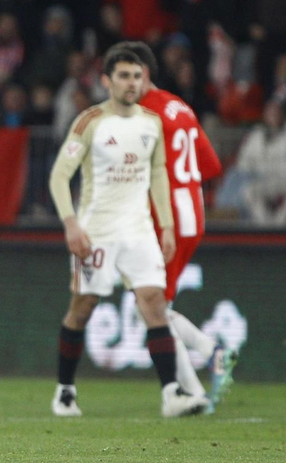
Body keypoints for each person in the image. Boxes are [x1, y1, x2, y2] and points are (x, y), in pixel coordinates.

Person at [47, 44, 209, 419]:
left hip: (139, 231)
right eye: (123, 76)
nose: (131, 83)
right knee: (82, 308)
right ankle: (65, 391)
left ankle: (172, 394)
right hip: (97, 232)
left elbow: (157, 176)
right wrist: (71, 224)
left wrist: (166, 225)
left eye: (137, 76)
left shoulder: (151, 123)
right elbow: (59, 176)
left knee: (154, 303)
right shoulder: (90, 122)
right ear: (107, 81)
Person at [125, 42, 238, 406]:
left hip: (166, 219)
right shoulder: (180, 106)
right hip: (193, 215)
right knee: (154, 306)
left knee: (151, 308)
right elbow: (212, 167)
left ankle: (208, 357)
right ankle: (198, 383)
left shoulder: (144, 114)